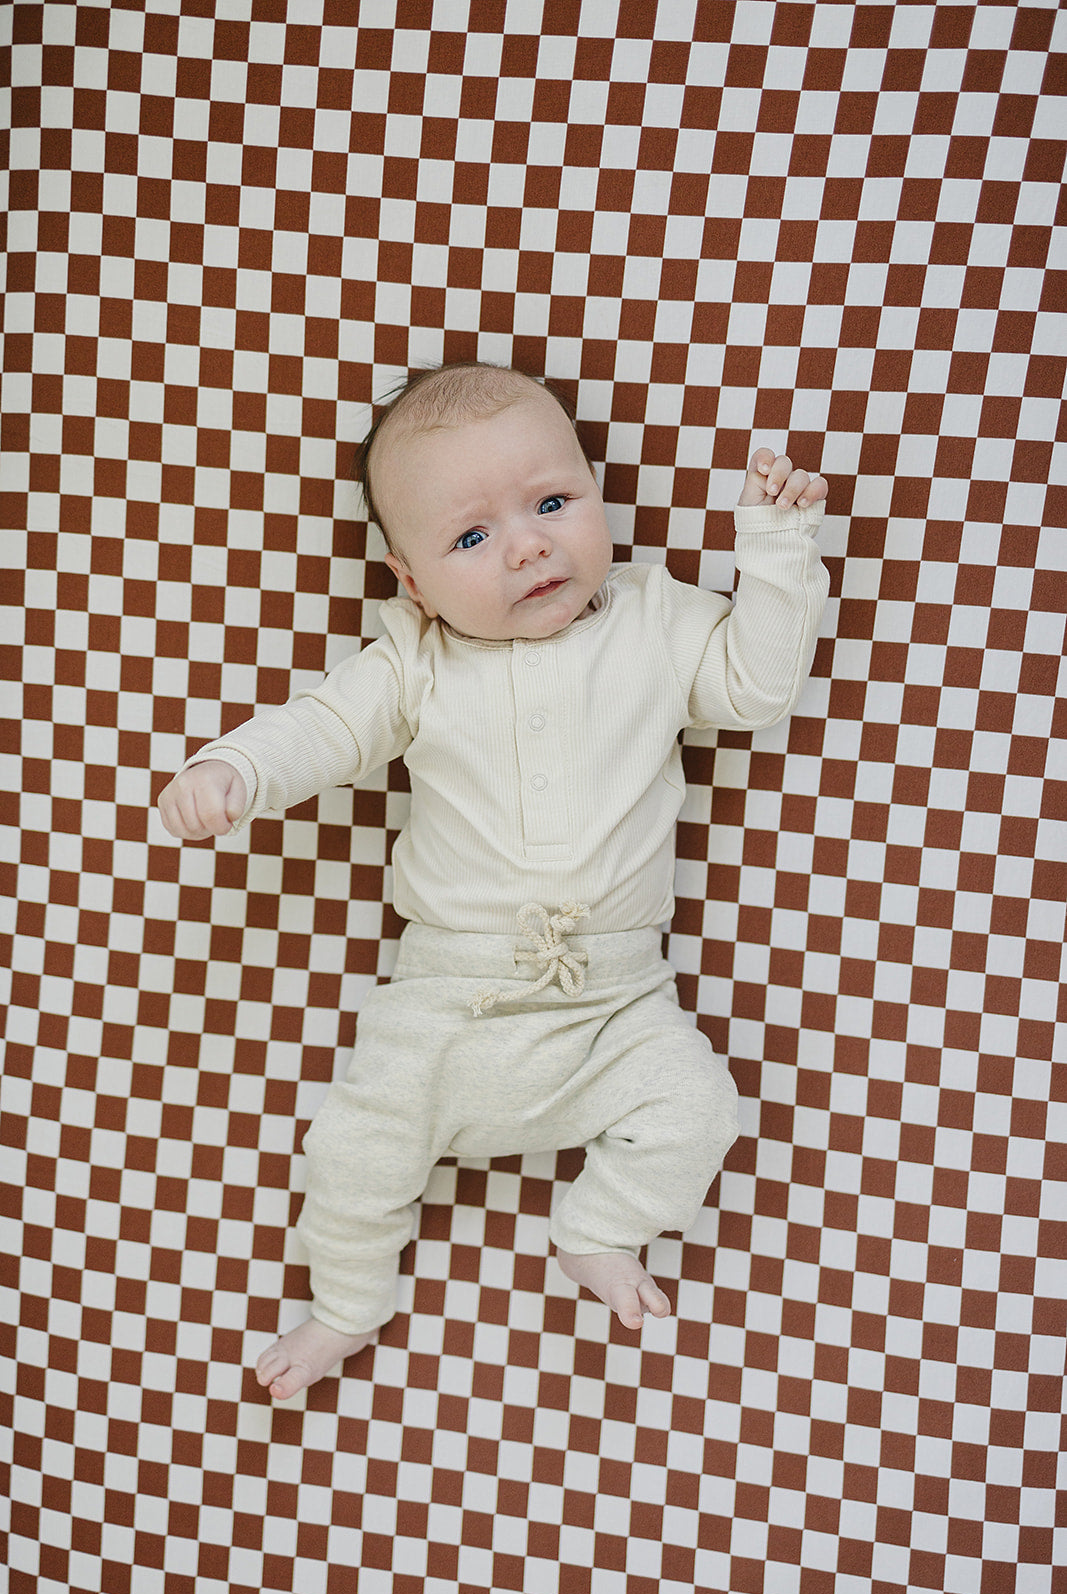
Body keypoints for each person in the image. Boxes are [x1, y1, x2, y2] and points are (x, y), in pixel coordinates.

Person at [157, 362, 830, 1401]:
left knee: (700, 1106)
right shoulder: (413, 661)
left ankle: (600, 1226)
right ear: (412, 581)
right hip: (444, 1007)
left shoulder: (654, 621)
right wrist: (237, 770)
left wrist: (777, 550)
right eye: (471, 538)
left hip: (614, 1003)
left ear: (595, 491)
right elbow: (324, 728)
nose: (526, 546)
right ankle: (345, 1303)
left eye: (551, 503)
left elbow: (754, 686)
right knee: (349, 1153)